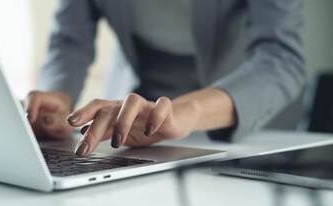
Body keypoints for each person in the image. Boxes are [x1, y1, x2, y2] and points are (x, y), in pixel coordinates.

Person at [23, 0, 306, 157]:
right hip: (137, 108)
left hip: (231, 100)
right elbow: (71, 41)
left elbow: (280, 56)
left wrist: (186, 111)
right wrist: (57, 96)